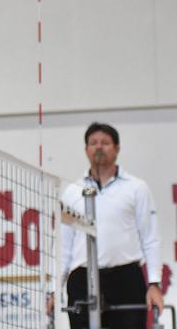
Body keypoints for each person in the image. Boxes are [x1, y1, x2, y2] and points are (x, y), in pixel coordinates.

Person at [52, 122, 164, 328]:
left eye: (105, 142)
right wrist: (53, 289)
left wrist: (154, 284)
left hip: (125, 279)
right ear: (86, 149)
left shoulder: (136, 188)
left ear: (117, 148)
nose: (99, 147)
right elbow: (63, 247)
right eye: (93, 143)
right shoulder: (72, 191)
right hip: (82, 280)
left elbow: (150, 238)